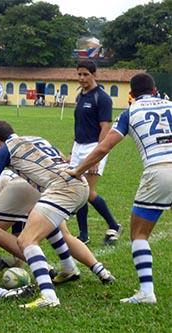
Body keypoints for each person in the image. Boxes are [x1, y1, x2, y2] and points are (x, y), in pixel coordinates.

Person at [0, 120, 89, 308]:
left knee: (23, 238)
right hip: (69, 185)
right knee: (46, 234)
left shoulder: (6, 149)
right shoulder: (35, 138)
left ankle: (49, 295)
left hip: (57, 190)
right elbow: (61, 157)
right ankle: (77, 270)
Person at [66, 73, 172, 304]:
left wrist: (77, 169)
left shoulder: (130, 112)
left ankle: (146, 292)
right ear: (155, 90)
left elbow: (103, 147)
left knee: (139, 235)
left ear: (131, 95)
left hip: (159, 171)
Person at [69, 60, 121, 245]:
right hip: (78, 147)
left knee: (88, 192)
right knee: (79, 191)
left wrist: (97, 158)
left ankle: (114, 225)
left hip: (94, 147)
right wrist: (72, 152)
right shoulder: (80, 96)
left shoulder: (103, 98)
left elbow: (105, 128)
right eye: (79, 74)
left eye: (85, 74)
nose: (82, 78)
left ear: (94, 74)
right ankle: (83, 235)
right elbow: (79, 126)